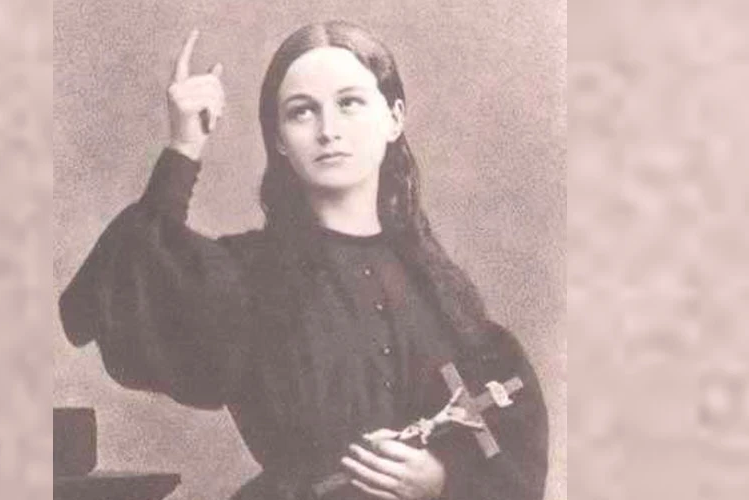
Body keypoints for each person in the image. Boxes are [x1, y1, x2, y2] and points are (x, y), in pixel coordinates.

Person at [59, 21, 548, 500]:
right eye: (302, 112)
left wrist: (443, 482)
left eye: (349, 103)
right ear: (279, 140)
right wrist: (184, 146)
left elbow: (512, 442)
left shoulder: (438, 290)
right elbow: (130, 279)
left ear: (393, 118)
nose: (328, 130)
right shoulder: (249, 276)